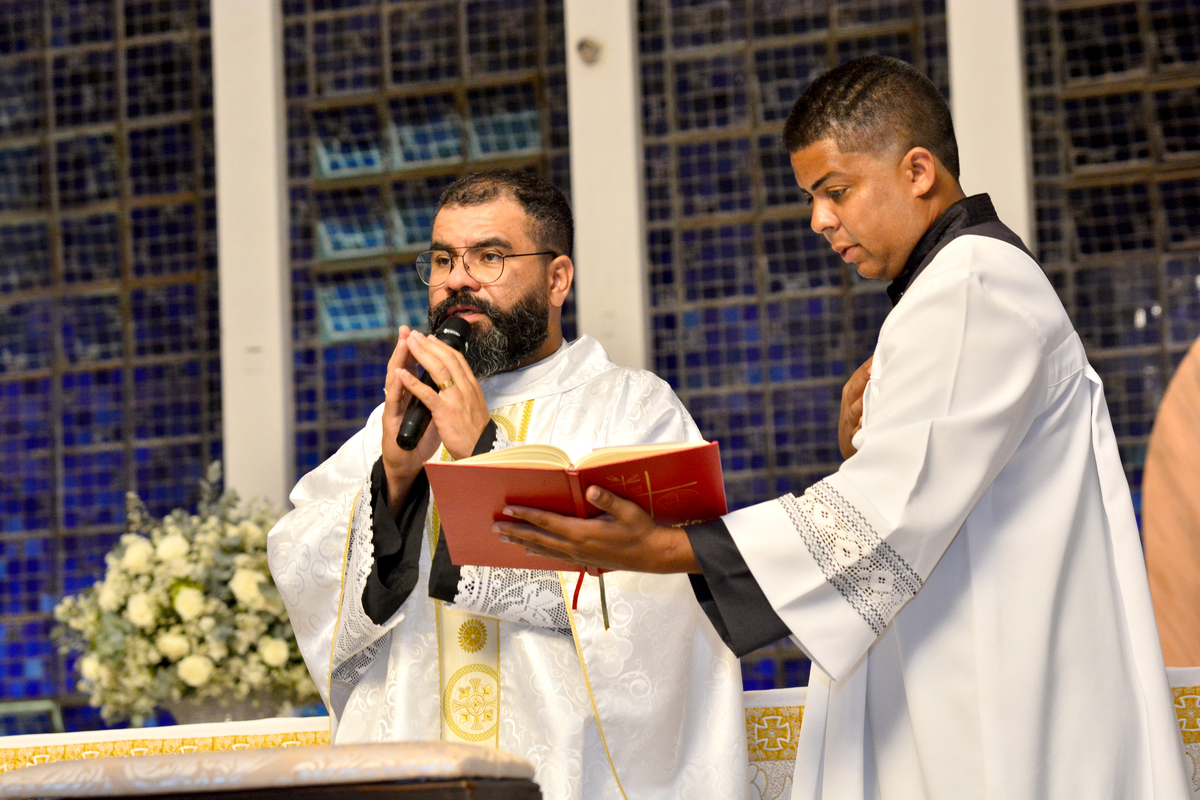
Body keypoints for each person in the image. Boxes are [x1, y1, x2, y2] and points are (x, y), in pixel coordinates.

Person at [495, 57, 1192, 798]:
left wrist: (661, 547)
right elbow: (926, 496)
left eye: (836, 191)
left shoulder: (972, 288)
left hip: (1001, 707)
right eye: (811, 198)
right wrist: (863, 450)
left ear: (918, 170)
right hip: (966, 683)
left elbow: (891, 509)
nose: (819, 220)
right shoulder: (951, 292)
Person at [267, 169, 747, 800]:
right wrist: (395, 483)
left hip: (566, 777)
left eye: (488, 256)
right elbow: (300, 556)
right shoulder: (402, 419)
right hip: (418, 769)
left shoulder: (632, 410)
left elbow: (660, 603)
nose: (457, 279)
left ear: (557, 279)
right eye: (442, 259)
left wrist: (482, 454)